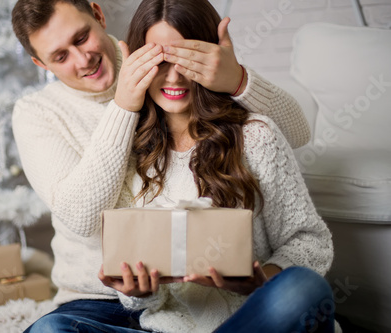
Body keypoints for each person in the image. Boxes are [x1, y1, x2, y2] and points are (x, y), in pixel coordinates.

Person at [10, 0, 312, 331]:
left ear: (98, 14)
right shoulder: (36, 112)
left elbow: (293, 132)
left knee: (295, 294)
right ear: (41, 63)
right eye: (60, 56)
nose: (83, 60)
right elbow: (80, 217)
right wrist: (124, 104)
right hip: (97, 299)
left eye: (82, 38)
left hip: (188, 300)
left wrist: (237, 79)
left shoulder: (167, 62)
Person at [96, 0, 336, 332]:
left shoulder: (255, 136)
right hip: (170, 328)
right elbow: (138, 300)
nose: (175, 75)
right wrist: (138, 292)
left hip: (258, 319)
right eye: (161, 60)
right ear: (138, 63)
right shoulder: (131, 153)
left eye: (187, 58)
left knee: (303, 290)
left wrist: (260, 281)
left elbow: (312, 242)